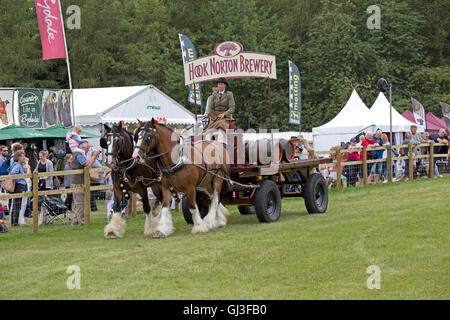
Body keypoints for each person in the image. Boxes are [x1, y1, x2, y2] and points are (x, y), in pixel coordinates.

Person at [70, 142, 100, 226]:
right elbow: (87, 165)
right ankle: (81, 222)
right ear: (84, 148)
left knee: (77, 203)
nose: (89, 150)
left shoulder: (77, 154)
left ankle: (76, 221)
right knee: (80, 203)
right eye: (88, 148)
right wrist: (94, 156)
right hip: (79, 182)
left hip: (76, 181)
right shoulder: (79, 155)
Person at [9, 151, 30, 227]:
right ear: (18, 158)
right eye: (22, 156)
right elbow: (13, 174)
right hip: (18, 186)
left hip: (19, 185)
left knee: (17, 204)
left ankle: (14, 222)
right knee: (17, 204)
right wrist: (19, 180)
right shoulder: (17, 165)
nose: (23, 158)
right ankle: (14, 223)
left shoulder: (19, 165)